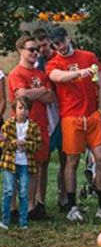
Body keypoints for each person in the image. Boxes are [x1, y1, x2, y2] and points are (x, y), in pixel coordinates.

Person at [45, 26, 101, 221]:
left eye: (62, 41)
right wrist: (78, 73)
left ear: (68, 37)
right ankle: (72, 205)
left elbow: (100, 83)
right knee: (71, 161)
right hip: (71, 117)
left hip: (92, 116)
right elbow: (57, 77)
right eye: (56, 44)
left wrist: (99, 110)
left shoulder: (88, 56)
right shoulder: (54, 62)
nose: (60, 47)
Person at [7, 35, 55, 219]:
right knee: (18, 167)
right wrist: (41, 91)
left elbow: (50, 97)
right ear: (20, 50)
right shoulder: (16, 74)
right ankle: (12, 208)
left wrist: (36, 93)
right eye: (31, 49)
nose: (36, 52)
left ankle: (31, 206)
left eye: (37, 49)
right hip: (21, 127)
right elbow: (22, 96)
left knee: (36, 166)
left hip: (40, 126)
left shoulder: (41, 74)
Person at [33, 27, 66, 211]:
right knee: (42, 161)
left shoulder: (58, 59)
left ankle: (64, 198)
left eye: (44, 45)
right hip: (46, 115)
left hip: (64, 111)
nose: (42, 50)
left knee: (65, 158)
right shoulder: (35, 63)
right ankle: (40, 201)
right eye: (38, 47)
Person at [0, 97, 42, 229]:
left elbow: (37, 144)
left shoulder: (33, 127)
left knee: (24, 192)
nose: (23, 111)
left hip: (25, 163)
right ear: (14, 109)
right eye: (20, 108)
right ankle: (5, 220)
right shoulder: (7, 125)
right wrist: (15, 143)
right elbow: (3, 143)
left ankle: (23, 221)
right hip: (9, 163)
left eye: (26, 109)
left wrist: (27, 145)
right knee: (8, 190)